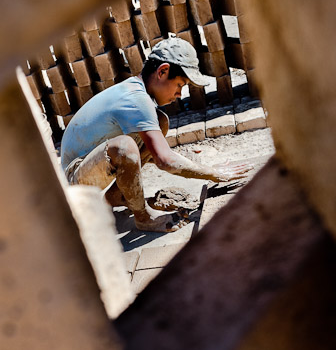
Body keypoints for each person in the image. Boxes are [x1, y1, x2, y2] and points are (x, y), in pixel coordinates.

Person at [60, 37, 251, 232]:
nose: (179, 94)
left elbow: (157, 155)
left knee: (160, 122)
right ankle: (144, 218)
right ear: (162, 71)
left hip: (92, 163)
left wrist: (202, 168)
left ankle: (119, 195)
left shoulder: (137, 92)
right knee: (124, 147)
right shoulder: (136, 100)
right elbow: (164, 160)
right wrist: (213, 174)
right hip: (76, 179)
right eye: (180, 85)